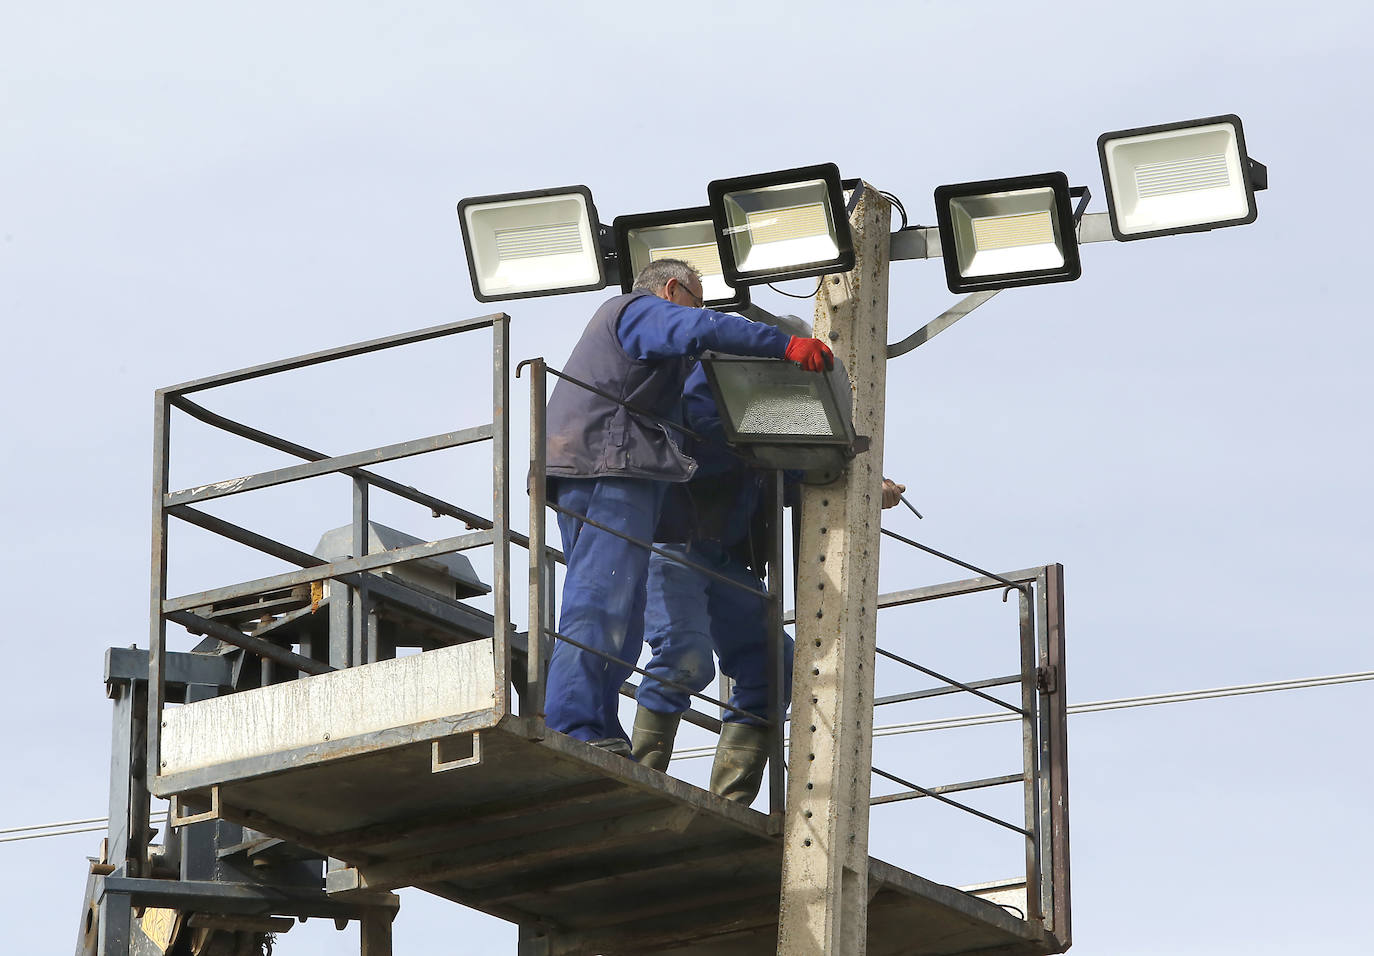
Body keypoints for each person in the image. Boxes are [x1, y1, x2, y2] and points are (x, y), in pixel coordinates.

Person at [542, 260, 835, 754]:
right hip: (609, 466)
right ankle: (573, 725)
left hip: (618, 470)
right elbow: (700, 329)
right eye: (697, 300)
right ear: (674, 290)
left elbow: (710, 443)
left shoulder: (656, 373)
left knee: (624, 615)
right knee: (600, 605)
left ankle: (599, 727)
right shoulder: (638, 310)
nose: (700, 312)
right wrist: (783, 345)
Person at [630, 335, 906, 803]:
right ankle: (639, 775)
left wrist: (854, 481)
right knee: (683, 654)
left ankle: (731, 799)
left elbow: (791, 474)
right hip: (671, 543)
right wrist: (788, 443)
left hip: (725, 558)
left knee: (775, 667)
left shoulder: (770, 411)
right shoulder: (712, 377)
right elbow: (701, 434)